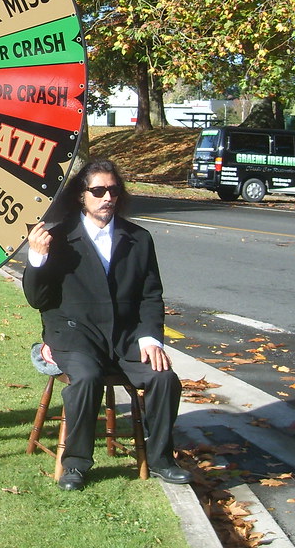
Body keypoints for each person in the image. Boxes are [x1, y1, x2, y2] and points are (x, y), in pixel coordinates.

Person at [22, 158, 190, 492]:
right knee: (86, 378)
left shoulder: (138, 239)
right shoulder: (58, 236)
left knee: (164, 378)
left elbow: (151, 295)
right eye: (98, 191)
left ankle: (161, 459)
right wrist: (37, 258)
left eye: (113, 190)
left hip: (126, 337)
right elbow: (37, 299)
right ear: (81, 196)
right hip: (74, 335)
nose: (107, 198)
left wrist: (150, 339)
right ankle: (76, 465)